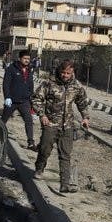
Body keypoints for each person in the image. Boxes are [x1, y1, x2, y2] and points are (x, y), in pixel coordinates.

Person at [32, 60, 90, 193]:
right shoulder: (49, 83)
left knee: (65, 155)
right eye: (63, 72)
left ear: (72, 72)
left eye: (68, 73)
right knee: (45, 149)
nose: (65, 75)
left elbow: (82, 103)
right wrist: (42, 115)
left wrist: (85, 117)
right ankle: (39, 168)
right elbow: (36, 98)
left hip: (67, 125)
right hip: (50, 123)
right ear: (59, 71)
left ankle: (65, 184)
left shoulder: (76, 86)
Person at [2, 50, 37, 150]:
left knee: (29, 121)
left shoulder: (29, 70)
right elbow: (6, 84)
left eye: (28, 59)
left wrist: (31, 101)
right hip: (12, 101)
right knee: (3, 119)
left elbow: (31, 86)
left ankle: (30, 143)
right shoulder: (11, 69)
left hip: (24, 102)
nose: (27, 61)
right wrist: (7, 97)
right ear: (20, 58)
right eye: (25, 58)